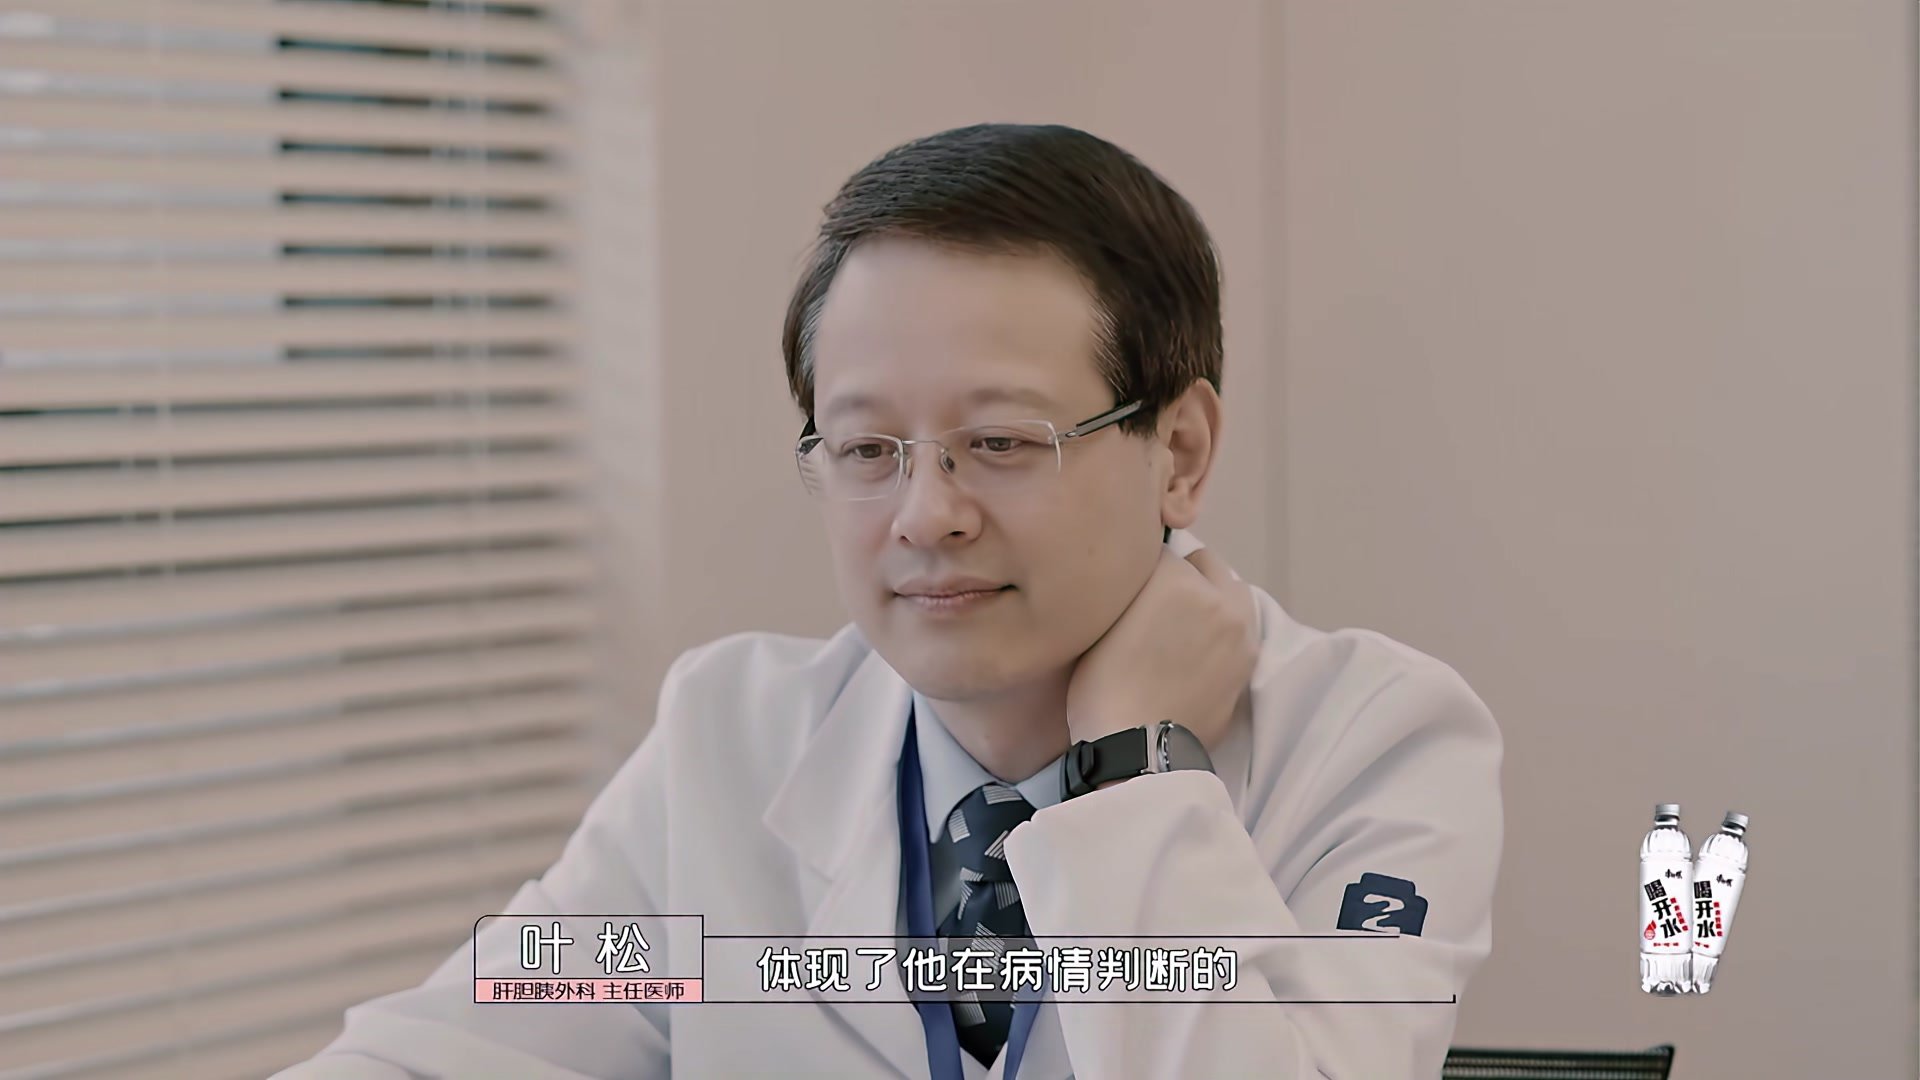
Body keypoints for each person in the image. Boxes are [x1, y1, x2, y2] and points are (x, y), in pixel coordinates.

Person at [274, 123, 1503, 1079]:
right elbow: (459, 1037)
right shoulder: (729, 737)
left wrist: (1135, 772)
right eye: (867, 450)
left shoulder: (1375, 743)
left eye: (1002, 442)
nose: (925, 515)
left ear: (1178, 451)